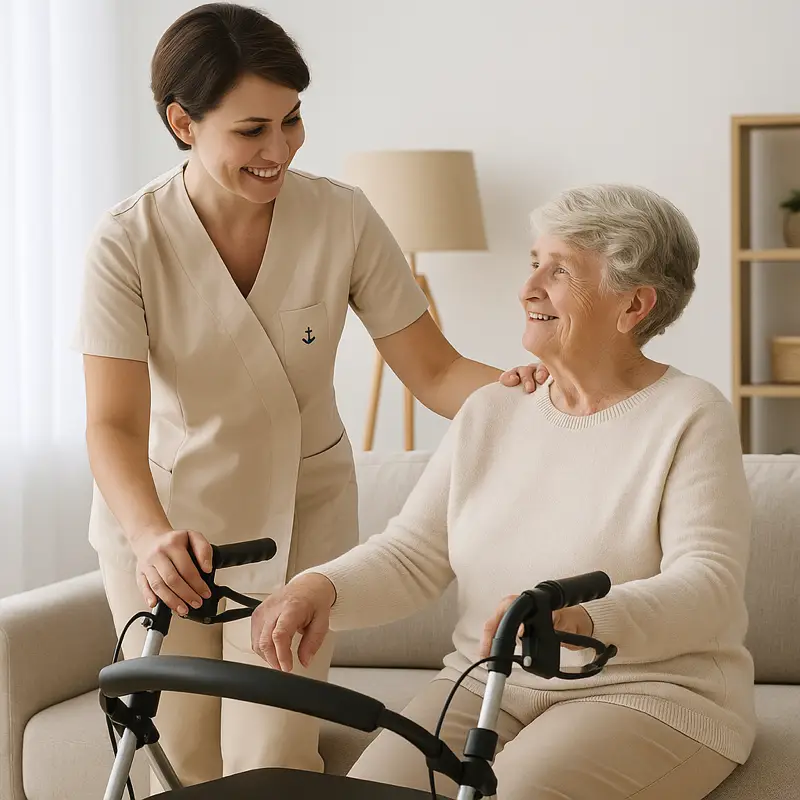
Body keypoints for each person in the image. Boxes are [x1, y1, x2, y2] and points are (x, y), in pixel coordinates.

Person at [72, 1, 542, 789]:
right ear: (183, 123)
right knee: (176, 761)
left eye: (291, 120)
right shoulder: (127, 241)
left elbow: (434, 371)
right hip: (166, 526)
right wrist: (150, 537)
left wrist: (528, 395)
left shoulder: (342, 216)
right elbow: (112, 424)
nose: (280, 148)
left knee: (278, 756)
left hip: (301, 519)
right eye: (251, 130)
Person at [252, 183, 757, 800]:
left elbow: (707, 583)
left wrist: (582, 620)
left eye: (560, 270)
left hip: (645, 691)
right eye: (535, 262)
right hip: (486, 680)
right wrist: (320, 587)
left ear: (633, 305)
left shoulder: (689, 413)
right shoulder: (494, 408)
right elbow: (413, 555)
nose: (528, 288)